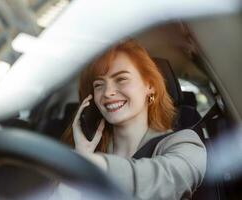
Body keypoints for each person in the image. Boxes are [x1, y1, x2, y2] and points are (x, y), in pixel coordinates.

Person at [61, 39, 206, 199]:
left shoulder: (184, 142)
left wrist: (86, 164)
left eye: (121, 79)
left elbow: (169, 179)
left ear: (149, 86)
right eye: (98, 85)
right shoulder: (85, 149)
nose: (108, 92)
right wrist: (81, 154)